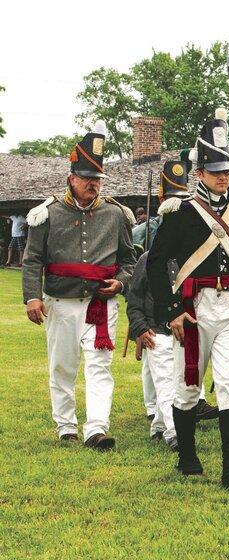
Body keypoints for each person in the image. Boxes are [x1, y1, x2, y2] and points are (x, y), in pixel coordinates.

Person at [147, 109, 229, 489]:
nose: (224, 178)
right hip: (193, 309)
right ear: (199, 174)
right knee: (188, 386)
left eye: (227, 172)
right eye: (216, 172)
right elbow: (156, 263)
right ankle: (187, 455)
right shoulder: (179, 213)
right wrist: (172, 311)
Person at [22, 124, 137, 449]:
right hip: (61, 302)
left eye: (98, 179)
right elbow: (32, 260)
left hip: (101, 305)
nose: (93, 184)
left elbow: (130, 259)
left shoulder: (116, 214)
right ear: (71, 178)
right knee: (63, 365)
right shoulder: (48, 214)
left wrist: (122, 281)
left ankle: (96, 429)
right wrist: (33, 296)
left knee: (100, 366)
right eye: (87, 177)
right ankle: (66, 425)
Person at [126, 156, 194, 451]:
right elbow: (135, 298)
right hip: (157, 330)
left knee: (182, 384)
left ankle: (158, 424)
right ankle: (173, 433)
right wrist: (141, 329)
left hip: (184, 330)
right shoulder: (146, 259)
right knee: (166, 382)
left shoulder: (193, 259)